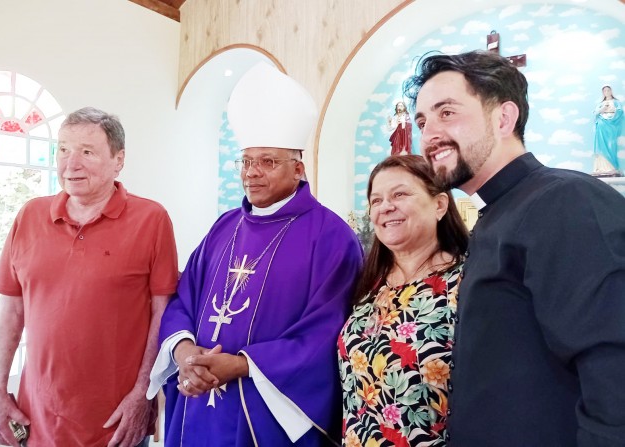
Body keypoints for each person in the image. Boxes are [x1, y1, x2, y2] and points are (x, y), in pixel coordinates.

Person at [406, 50, 625, 445]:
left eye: (447, 112)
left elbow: (613, 371)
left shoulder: (565, 202)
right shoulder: (497, 215)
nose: (429, 134)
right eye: (422, 120)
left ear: (503, 118)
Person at [147, 62, 364, 446]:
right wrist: (184, 355)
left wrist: (243, 364)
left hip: (266, 413)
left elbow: (327, 330)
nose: (252, 173)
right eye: (246, 161)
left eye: (267, 161)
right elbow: (184, 298)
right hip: (197, 402)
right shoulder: (223, 227)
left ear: (298, 168)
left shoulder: (331, 237)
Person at [0, 107, 179, 447]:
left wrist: (143, 394)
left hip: (115, 425)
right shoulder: (30, 215)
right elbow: (11, 313)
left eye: (87, 152)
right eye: (63, 149)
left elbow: (162, 314)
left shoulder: (152, 219)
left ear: (118, 160)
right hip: (37, 420)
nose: (70, 163)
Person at [339, 155, 468, 447]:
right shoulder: (368, 285)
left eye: (400, 194)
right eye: (376, 200)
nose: (385, 207)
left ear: (439, 205)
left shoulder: (467, 282)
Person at [592, 85, 623, 177]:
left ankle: (612, 167)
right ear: (603, 92)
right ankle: (601, 167)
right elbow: (595, 112)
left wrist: (613, 110)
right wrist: (602, 109)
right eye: (605, 91)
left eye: (608, 90)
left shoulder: (616, 102)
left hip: (612, 125)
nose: (607, 92)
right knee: (600, 145)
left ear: (611, 91)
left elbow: (620, 112)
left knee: (611, 145)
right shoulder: (601, 103)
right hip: (602, 125)